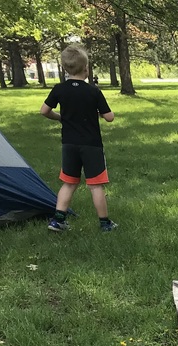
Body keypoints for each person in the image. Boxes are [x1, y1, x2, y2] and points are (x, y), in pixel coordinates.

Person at [40, 44, 116, 233]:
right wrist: (99, 111)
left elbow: (44, 111)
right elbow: (109, 117)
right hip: (91, 145)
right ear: (86, 68)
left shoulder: (59, 89)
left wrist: (60, 118)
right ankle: (105, 223)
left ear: (65, 69)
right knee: (95, 185)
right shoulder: (93, 91)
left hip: (69, 144)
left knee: (69, 182)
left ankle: (58, 221)